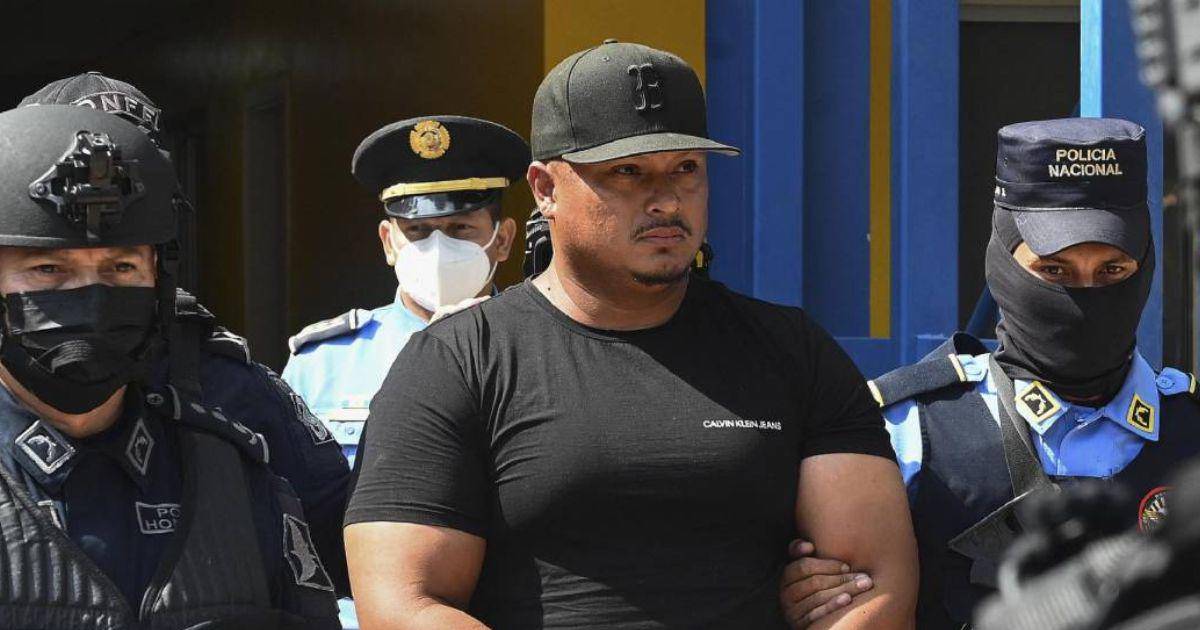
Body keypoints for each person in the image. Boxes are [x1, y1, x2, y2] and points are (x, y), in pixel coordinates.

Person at [345, 40, 917, 629]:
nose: (666, 200)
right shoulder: (457, 360)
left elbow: (873, 585)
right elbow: (403, 604)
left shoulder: (792, 349)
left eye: (686, 169)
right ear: (545, 189)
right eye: (627, 172)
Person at [779, 118, 1200, 629]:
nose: (1086, 296)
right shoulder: (903, 433)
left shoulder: (1190, 425)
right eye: (1054, 270)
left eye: (1112, 270)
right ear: (1002, 260)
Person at [0, 103, 339, 628]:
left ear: (160, 284)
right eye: (48, 269)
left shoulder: (234, 475)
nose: (93, 298)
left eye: (121, 267)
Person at [282, 115, 526, 466]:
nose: (438, 247)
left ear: (502, 240)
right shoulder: (323, 363)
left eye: (460, 228)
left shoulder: (539, 353)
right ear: (388, 242)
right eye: (418, 231)